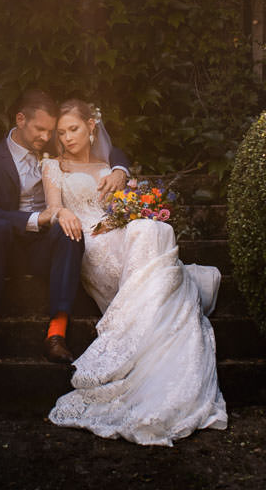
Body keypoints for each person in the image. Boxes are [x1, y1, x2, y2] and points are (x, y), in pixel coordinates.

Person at [42, 98, 227, 446]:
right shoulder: (54, 166)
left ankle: (158, 316)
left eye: (73, 129)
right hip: (86, 238)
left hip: (114, 230)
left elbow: (122, 207)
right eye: (61, 132)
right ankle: (157, 314)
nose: (67, 138)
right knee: (144, 234)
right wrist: (62, 212)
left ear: (91, 126)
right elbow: (52, 206)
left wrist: (127, 203)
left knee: (153, 228)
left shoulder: (110, 167)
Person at [0, 89, 130, 363]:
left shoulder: (56, 148)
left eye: (50, 131)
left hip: (45, 247)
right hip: (4, 247)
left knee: (69, 231)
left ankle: (56, 334)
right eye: (40, 130)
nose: (47, 137)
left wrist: (119, 170)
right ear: (21, 119)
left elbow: (109, 150)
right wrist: (36, 219)